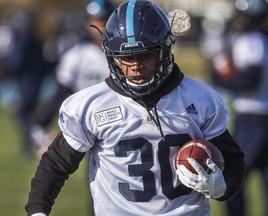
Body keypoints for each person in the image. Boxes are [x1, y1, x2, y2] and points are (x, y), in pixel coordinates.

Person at [25, 1, 245, 215]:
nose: (135, 66)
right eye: (126, 58)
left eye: (145, 56)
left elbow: (233, 160)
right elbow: (55, 165)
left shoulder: (200, 99)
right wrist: (37, 211)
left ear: (164, 50)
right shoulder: (90, 105)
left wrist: (222, 187)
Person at [212, 1, 268, 216]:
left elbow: (248, 80)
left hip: (254, 117)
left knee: (234, 173)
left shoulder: (252, 41)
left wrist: (221, 77)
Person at [30, 0, 116, 158]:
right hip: (88, 122)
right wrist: (41, 124)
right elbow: (60, 93)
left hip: (118, 119)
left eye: (104, 20)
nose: (99, 25)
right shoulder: (76, 55)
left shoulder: (124, 55)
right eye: (95, 20)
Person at [0, 9, 50, 159]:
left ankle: (39, 139)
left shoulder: (25, 39)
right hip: (32, 81)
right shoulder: (33, 38)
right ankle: (29, 145)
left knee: (23, 113)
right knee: (25, 114)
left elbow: (17, 61)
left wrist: (6, 72)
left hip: (28, 82)